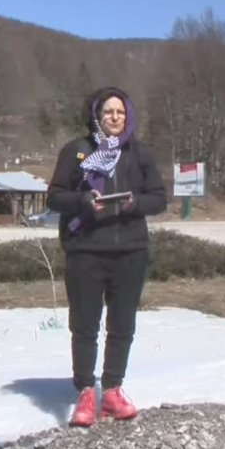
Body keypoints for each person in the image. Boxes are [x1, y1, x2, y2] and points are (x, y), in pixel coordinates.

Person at [46, 87, 167, 427]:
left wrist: (134, 203)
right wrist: (83, 201)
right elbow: (54, 197)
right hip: (85, 250)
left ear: (128, 117)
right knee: (84, 324)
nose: (115, 117)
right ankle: (86, 390)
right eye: (109, 111)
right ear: (96, 116)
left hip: (130, 251)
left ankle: (112, 390)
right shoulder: (77, 151)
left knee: (122, 324)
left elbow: (159, 198)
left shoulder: (139, 154)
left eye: (121, 112)